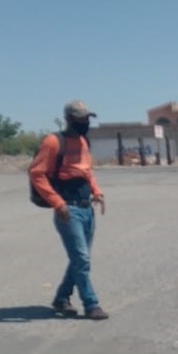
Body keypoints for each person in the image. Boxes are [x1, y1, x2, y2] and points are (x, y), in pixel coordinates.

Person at [30, 100, 109, 320]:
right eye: (80, 119)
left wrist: (97, 192)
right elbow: (37, 173)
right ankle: (91, 304)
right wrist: (57, 202)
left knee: (80, 260)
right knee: (82, 259)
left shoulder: (84, 142)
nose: (84, 123)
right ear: (68, 119)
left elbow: (87, 172)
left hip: (86, 208)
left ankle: (61, 298)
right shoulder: (54, 142)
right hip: (68, 209)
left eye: (87, 119)